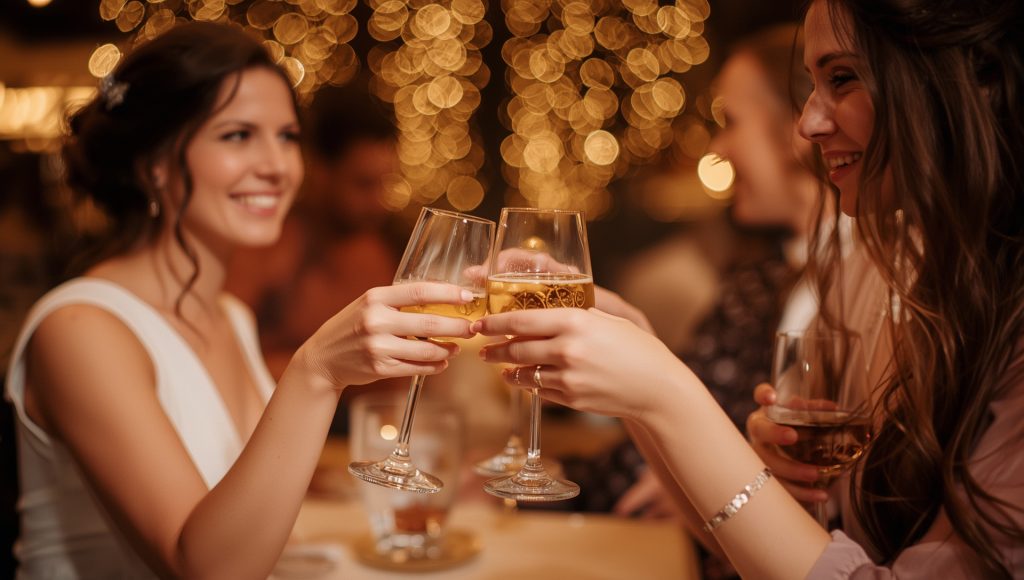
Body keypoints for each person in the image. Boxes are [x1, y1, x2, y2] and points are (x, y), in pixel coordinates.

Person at [474, 0, 1024, 577]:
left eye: (842, 78)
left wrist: (665, 392)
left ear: (964, 80)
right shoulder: (879, 270)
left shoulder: (885, 274)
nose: (808, 124)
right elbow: (784, 549)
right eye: (813, 85)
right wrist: (643, 366)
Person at [3, 22, 476, 579]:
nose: (276, 166)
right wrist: (317, 371)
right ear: (154, 163)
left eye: (287, 136)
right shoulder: (80, 329)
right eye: (237, 135)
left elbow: (253, 501)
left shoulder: (229, 315)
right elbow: (206, 568)